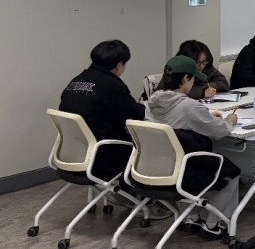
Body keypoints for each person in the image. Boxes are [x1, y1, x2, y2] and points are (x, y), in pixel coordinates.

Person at [146, 56, 241, 240]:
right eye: (192, 79)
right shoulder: (189, 106)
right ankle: (212, 225)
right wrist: (230, 120)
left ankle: (192, 219)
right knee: (231, 173)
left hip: (160, 166)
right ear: (185, 79)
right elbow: (219, 131)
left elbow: (180, 120)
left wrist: (204, 116)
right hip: (187, 170)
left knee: (181, 171)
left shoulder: (152, 102)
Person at [59, 40, 146, 182]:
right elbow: (135, 114)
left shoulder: (76, 81)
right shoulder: (111, 85)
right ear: (119, 65)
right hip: (103, 159)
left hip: (73, 155)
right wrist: (144, 106)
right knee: (150, 146)